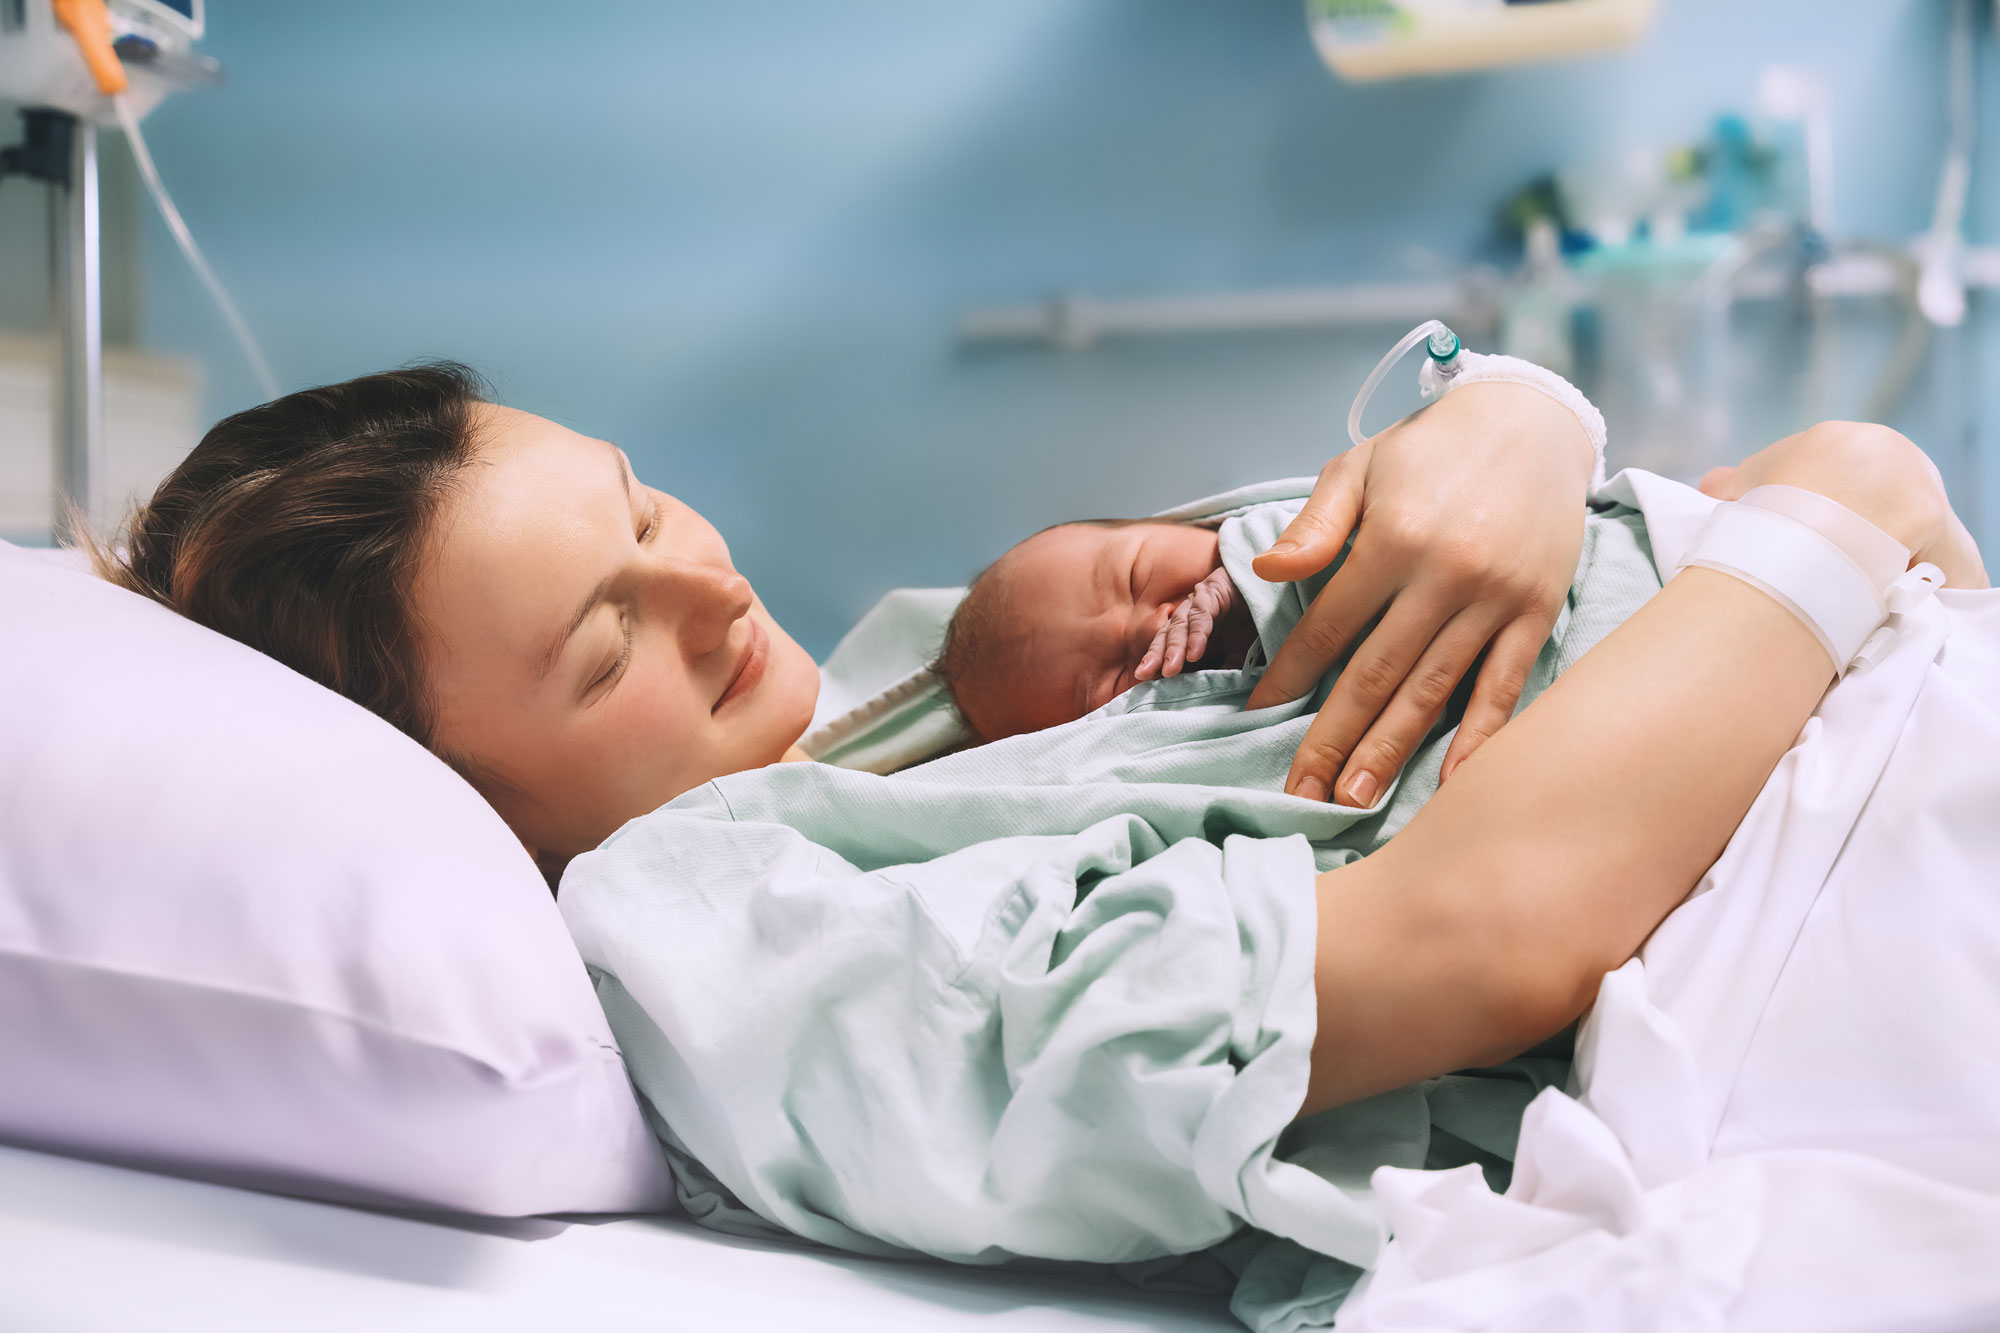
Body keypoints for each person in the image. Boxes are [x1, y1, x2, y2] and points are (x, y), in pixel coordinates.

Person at [91, 360, 1984, 1289]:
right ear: (469, 807)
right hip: (1804, 876)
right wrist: (1844, 495)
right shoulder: (738, 951)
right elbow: (1460, 942)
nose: (710, 594)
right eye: (610, 654)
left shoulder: (880, 706)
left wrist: (1522, 417)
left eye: (646, 510)